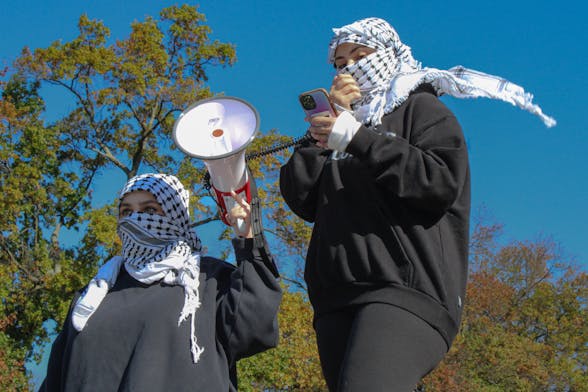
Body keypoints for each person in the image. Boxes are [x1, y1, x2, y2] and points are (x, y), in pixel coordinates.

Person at [279, 17, 555, 392]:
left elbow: (439, 182)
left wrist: (360, 139)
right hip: (335, 297)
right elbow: (302, 198)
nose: (348, 70)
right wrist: (320, 134)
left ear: (388, 56)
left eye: (359, 57)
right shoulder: (335, 131)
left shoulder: (421, 109)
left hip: (404, 292)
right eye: (340, 64)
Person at [40, 173, 281, 392]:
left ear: (175, 215)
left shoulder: (206, 279)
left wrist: (249, 242)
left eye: (150, 210)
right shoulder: (95, 294)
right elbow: (56, 377)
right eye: (126, 211)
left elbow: (255, 327)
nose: (135, 218)